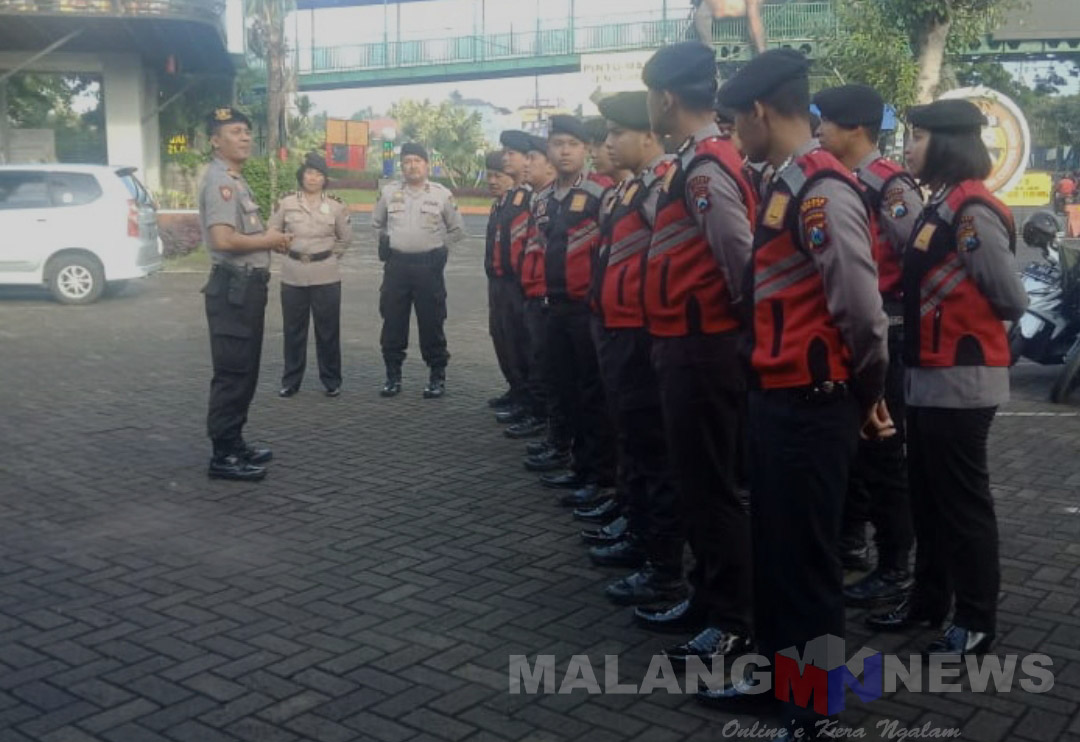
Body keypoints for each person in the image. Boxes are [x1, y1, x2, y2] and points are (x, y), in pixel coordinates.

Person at [705, 50, 891, 735]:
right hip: (777, 396)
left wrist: (863, 392)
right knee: (776, 555)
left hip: (815, 404)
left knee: (807, 564)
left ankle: (813, 710)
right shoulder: (784, 182)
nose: (731, 136)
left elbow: (863, 314)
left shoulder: (821, 188)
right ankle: (774, 682)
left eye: (733, 123)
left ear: (758, 113)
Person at [866, 99, 1027, 657]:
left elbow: (1010, 296)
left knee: (961, 503)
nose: (908, 147)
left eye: (918, 136)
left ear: (949, 143)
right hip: (929, 376)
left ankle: (977, 618)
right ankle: (929, 601)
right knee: (929, 498)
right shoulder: (943, 204)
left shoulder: (972, 209)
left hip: (962, 379)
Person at [630, 42, 758, 670]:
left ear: (666, 98)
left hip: (705, 350)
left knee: (712, 489)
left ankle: (731, 620)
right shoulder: (693, 161)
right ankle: (709, 600)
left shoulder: (706, 168)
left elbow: (743, 266)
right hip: (685, 345)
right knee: (696, 482)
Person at [814, 84, 924, 604]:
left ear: (855, 128)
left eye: (826, 123)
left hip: (889, 331)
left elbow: (920, 258)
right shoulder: (840, 181)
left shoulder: (889, 185)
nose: (819, 132)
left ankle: (896, 563)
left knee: (884, 450)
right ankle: (852, 543)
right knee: (855, 450)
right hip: (850, 333)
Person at [589, 90, 684, 607]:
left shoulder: (665, 186)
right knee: (636, 442)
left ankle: (663, 565)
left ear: (649, 134)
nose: (607, 143)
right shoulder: (640, 187)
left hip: (646, 335)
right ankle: (642, 538)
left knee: (654, 449)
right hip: (621, 329)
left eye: (616, 133)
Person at [528, 115, 618, 506]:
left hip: (586, 309)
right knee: (562, 387)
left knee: (592, 393)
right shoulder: (543, 199)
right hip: (553, 306)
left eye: (572, 144)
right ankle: (578, 465)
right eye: (558, 143)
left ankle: (601, 476)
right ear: (548, 150)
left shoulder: (602, 192)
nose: (564, 151)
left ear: (586, 150)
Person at [198, 106, 292, 482]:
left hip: (248, 287)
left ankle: (234, 441)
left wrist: (268, 242)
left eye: (247, 131)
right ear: (215, 140)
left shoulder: (237, 180)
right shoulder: (220, 182)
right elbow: (223, 239)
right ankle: (222, 455)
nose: (245, 137)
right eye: (235, 131)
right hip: (233, 287)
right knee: (233, 371)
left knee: (246, 369)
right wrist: (268, 239)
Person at [372, 142, 466, 398]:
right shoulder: (389, 193)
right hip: (397, 267)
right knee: (392, 322)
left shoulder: (441, 194)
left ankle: (437, 376)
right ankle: (393, 376)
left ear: (427, 164)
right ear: (402, 166)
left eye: (417, 161)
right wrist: (390, 243)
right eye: (407, 161)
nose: (412, 166)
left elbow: (457, 229)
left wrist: (439, 249)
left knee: (432, 322)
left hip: (428, 268)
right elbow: (377, 224)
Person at [270, 153, 352, 399]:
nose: (313, 178)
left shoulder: (336, 205)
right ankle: (291, 381)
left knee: (327, 331)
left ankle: (331, 381)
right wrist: (282, 246)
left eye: (318, 174)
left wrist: (327, 256)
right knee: (294, 331)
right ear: (301, 175)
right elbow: (272, 230)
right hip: (293, 273)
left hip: (326, 275)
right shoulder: (286, 203)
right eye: (308, 173)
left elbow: (345, 238)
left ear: (325, 179)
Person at [497, 131, 548, 439]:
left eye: (513, 154)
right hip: (510, 279)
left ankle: (535, 408)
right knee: (510, 341)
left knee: (531, 349)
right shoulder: (512, 194)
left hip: (528, 285)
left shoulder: (532, 195)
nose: (508, 159)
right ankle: (521, 396)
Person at [483, 149, 526, 417]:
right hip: (496, 282)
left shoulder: (519, 203)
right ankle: (515, 388)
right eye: (488, 176)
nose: (492, 181)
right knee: (500, 335)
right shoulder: (498, 205)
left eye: (498, 175)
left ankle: (527, 398)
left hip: (514, 283)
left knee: (517, 339)